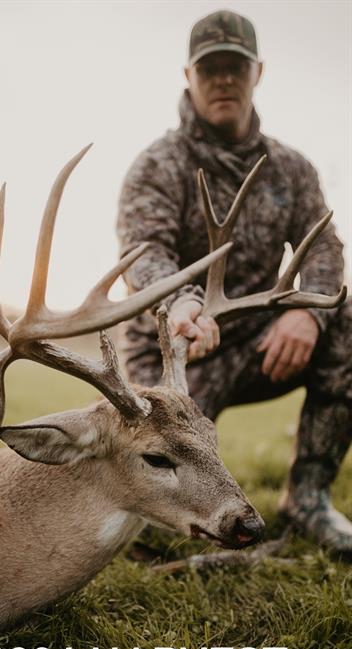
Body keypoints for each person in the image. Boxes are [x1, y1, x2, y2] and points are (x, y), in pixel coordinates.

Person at [117, 10, 352, 557]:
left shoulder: (291, 168)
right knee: (147, 540)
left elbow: (325, 247)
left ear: (257, 73)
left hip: (258, 341)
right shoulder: (158, 164)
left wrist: (307, 314)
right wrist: (179, 303)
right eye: (210, 68)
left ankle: (308, 500)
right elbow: (142, 249)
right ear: (189, 76)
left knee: (346, 322)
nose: (223, 79)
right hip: (172, 352)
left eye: (235, 67)